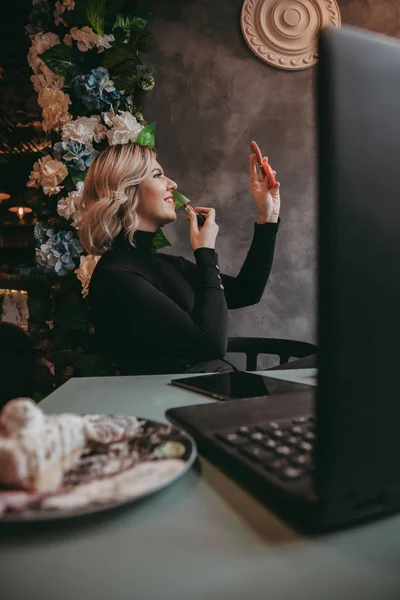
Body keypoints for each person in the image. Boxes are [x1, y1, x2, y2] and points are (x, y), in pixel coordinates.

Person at [79, 142, 280, 375]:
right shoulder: (115, 276)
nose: (172, 184)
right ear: (127, 191)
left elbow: (247, 291)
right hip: (171, 408)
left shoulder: (167, 265)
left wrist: (268, 216)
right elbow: (211, 345)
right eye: (158, 175)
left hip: (207, 397)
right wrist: (205, 253)